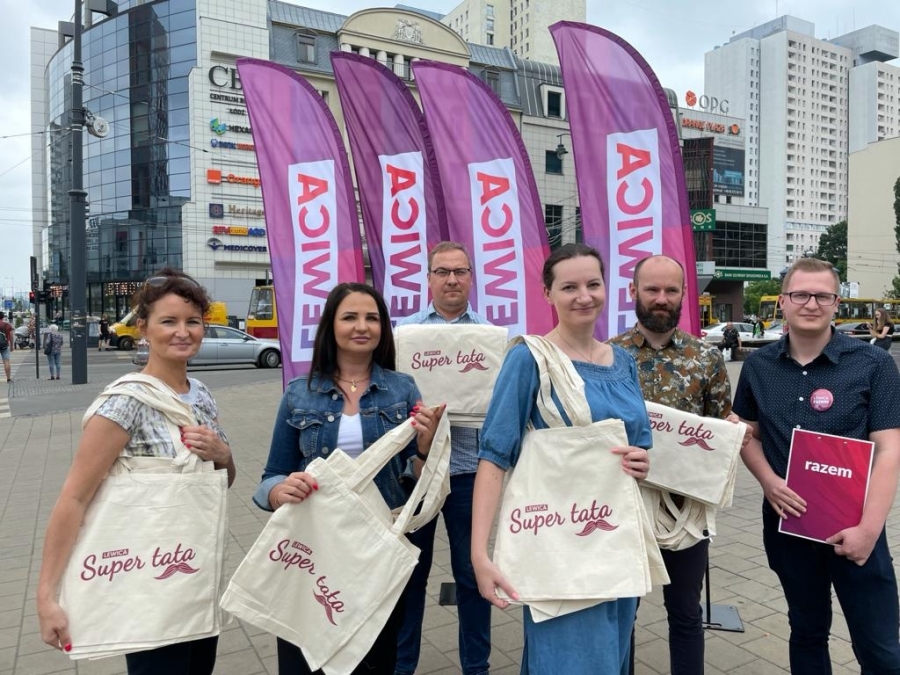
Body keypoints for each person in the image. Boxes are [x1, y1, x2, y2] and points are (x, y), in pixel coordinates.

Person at [37, 269, 236, 674]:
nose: (182, 332)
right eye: (168, 321)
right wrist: (46, 597)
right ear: (143, 327)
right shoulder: (125, 402)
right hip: (147, 587)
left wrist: (223, 454)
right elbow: (74, 497)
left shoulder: (201, 395)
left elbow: (221, 483)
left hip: (196, 579)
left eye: (192, 321)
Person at [472, 243, 651, 674]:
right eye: (569, 287)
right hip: (556, 545)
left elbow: (641, 444)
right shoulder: (528, 358)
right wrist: (480, 554)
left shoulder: (624, 362)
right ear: (547, 293)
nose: (584, 296)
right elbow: (494, 457)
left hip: (614, 540)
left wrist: (642, 461)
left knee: (611, 657)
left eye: (593, 284)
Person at [253, 282, 443, 675]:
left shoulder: (402, 388)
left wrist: (425, 448)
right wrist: (279, 492)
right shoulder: (299, 393)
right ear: (331, 326)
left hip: (377, 546)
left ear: (383, 328)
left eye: (372, 318)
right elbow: (271, 476)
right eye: (350, 317)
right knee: (306, 652)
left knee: (375, 654)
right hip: (313, 546)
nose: (362, 326)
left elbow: (417, 485)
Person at [733, 257, 900, 674]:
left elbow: (889, 449)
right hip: (788, 525)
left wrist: (868, 531)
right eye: (801, 294)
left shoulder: (873, 363)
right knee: (807, 634)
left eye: (822, 296)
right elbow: (747, 435)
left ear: (836, 303)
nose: (811, 303)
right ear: (783, 301)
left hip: (856, 526)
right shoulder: (757, 366)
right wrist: (768, 481)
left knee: (881, 650)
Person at [609, 255, 733, 675]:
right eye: (652, 289)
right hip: (622, 506)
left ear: (683, 295)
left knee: (685, 613)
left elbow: (719, 429)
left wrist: (733, 434)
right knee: (620, 614)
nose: (661, 298)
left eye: (671, 290)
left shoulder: (706, 358)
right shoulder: (607, 356)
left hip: (686, 511)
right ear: (633, 292)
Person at [395, 242, 493, 675]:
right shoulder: (404, 335)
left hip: (470, 473)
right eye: (442, 272)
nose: (452, 279)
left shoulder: (491, 337)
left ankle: (477, 667)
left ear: (471, 277)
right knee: (409, 576)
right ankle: (401, 667)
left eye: (460, 271)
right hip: (415, 474)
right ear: (429, 279)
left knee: (472, 576)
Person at [0, 311, 13, 382]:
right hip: (4, 345)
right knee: (6, 361)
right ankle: (8, 378)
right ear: (3, 317)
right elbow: (11, 336)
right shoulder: (7, 325)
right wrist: (12, 345)